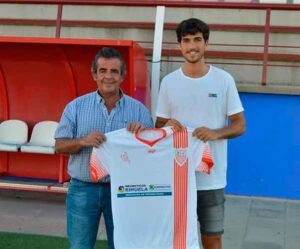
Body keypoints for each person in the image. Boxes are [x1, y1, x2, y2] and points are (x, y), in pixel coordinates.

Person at [155, 18, 246, 249]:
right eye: (186, 41)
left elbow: (239, 125)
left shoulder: (224, 80)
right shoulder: (169, 82)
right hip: (177, 177)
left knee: (212, 240)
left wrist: (215, 133)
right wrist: (168, 125)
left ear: (206, 43)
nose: (191, 46)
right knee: (176, 240)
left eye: (197, 40)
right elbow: (158, 126)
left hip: (211, 179)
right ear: (179, 46)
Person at [54, 47, 153, 249]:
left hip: (123, 190)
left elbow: (151, 155)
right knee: (80, 246)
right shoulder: (75, 107)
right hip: (82, 188)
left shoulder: (139, 111)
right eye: (103, 71)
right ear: (94, 74)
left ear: (123, 76)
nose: (108, 76)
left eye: (114, 71)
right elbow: (59, 146)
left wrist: (142, 137)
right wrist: (82, 141)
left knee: (123, 246)